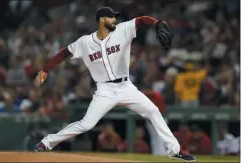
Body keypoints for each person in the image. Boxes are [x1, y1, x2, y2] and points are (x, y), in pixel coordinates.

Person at [34, 7, 195, 162]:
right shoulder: (85, 42)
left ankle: (175, 150)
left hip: (126, 87)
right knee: (86, 124)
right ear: (102, 20)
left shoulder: (122, 30)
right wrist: (46, 69)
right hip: (105, 90)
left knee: (153, 111)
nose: (115, 19)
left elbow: (140, 20)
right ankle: (47, 142)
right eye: (112, 17)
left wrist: (156, 22)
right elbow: (65, 52)